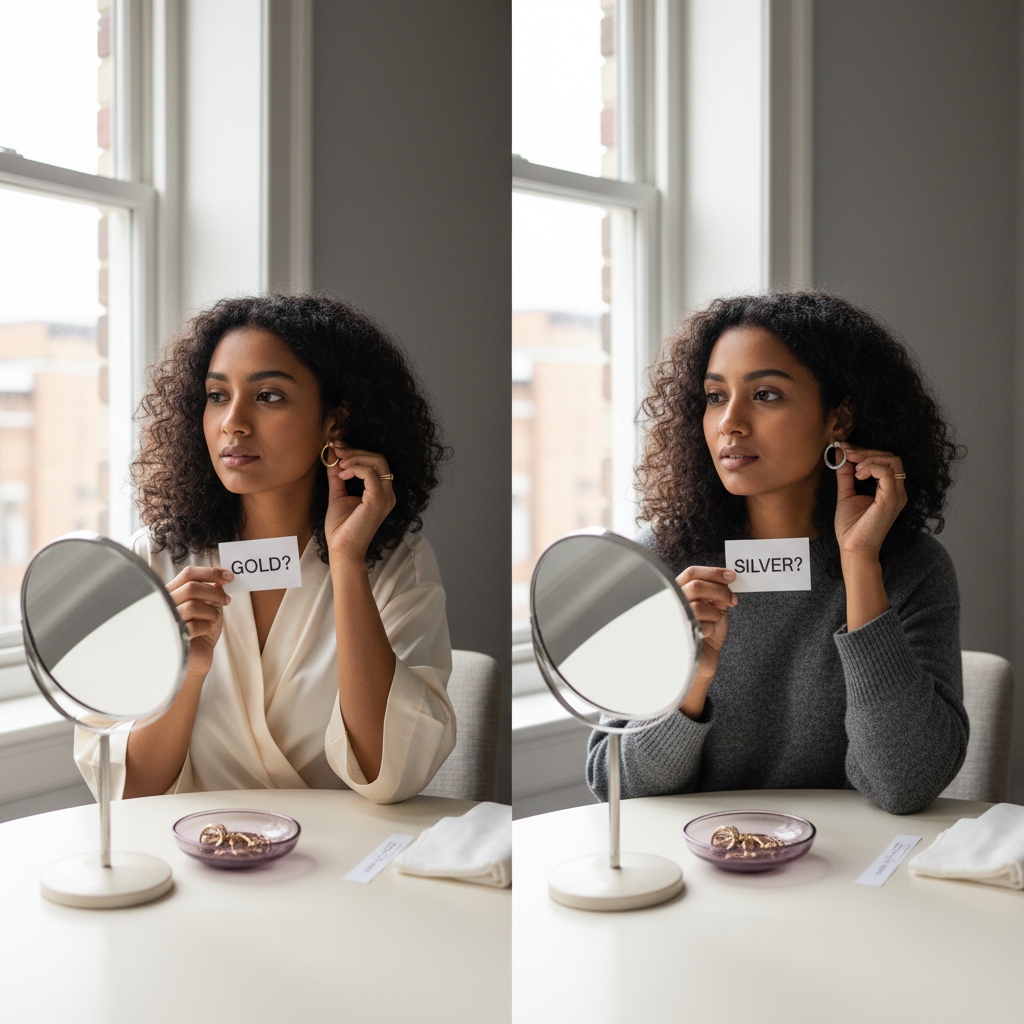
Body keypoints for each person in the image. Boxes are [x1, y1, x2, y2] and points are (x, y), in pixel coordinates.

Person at [587, 291, 968, 815]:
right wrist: (690, 681)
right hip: (699, 857)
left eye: (765, 394)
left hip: (851, 859)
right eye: (715, 396)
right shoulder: (659, 565)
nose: (730, 422)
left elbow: (905, 784)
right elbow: (617, 787)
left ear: (838, 419)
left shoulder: (911, 568)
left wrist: (860, 562)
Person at [75, 294, 456, 804]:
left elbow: (393, 773)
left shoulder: (395, 562)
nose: (233, 421)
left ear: (334, 420)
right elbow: (127, 793)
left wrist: (347, 561)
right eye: (217, 395)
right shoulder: (151, 562)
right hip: (195, 848)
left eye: (269, 396)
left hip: (344, 853)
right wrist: (187, 671)